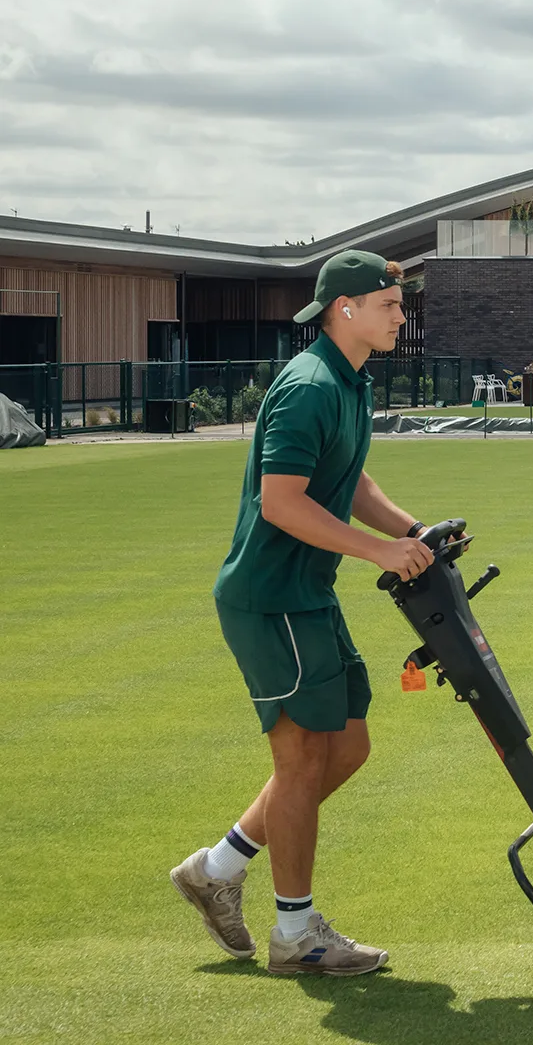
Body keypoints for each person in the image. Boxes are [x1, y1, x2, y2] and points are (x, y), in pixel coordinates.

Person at [171, 251, 437, 978]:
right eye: (388, 303)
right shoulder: (310, 385)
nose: (399, 314)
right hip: (272, 598)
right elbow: (282, 502)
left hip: (307, 596)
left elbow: (350, 478)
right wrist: (380, 553)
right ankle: (295, 935)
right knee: (300, 761)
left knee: (346, 747)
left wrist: (414, 531)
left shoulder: (350, 381)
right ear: (344, 308)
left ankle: (217, 867)